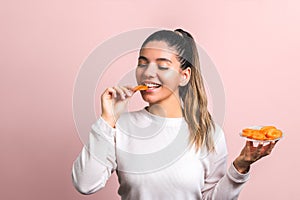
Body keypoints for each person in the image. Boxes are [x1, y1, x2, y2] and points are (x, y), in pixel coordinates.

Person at [72, 29, 278, 200]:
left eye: (162, 65)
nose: (148, 72)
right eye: (142, 63)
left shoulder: (208, 133)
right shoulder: (121, 126)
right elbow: (85, 183)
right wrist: (107, 120)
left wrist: (240, 167)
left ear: (184, 76)